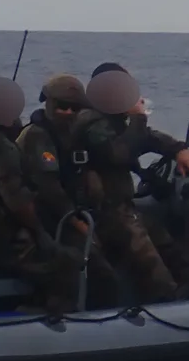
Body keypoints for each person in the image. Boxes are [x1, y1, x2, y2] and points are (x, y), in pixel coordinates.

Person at [69, 64, 189, 303]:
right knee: (144, 254)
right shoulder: (90, 122)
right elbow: (120, 153)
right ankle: (168, 298)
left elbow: (147, 138)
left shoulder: (110, 119)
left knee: (164, 239)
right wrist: (138, 118)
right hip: (103, 211)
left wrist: (179, 150)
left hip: (120, 207)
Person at [0, 77, 81, 314]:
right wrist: (41, 234)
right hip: (0, 238)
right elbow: (17, 200)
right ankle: (53, 316)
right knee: (67, 262)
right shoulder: (0, 146)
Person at [17, 72, 118, 305]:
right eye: (62, 106)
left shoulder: (71, 135)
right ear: (49, 103)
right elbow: (49, 189)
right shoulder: (37, 136)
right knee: (99, 272)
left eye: (75, 108)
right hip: (46, 221)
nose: (69, 112)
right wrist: (78, 223)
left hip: (72, 214)